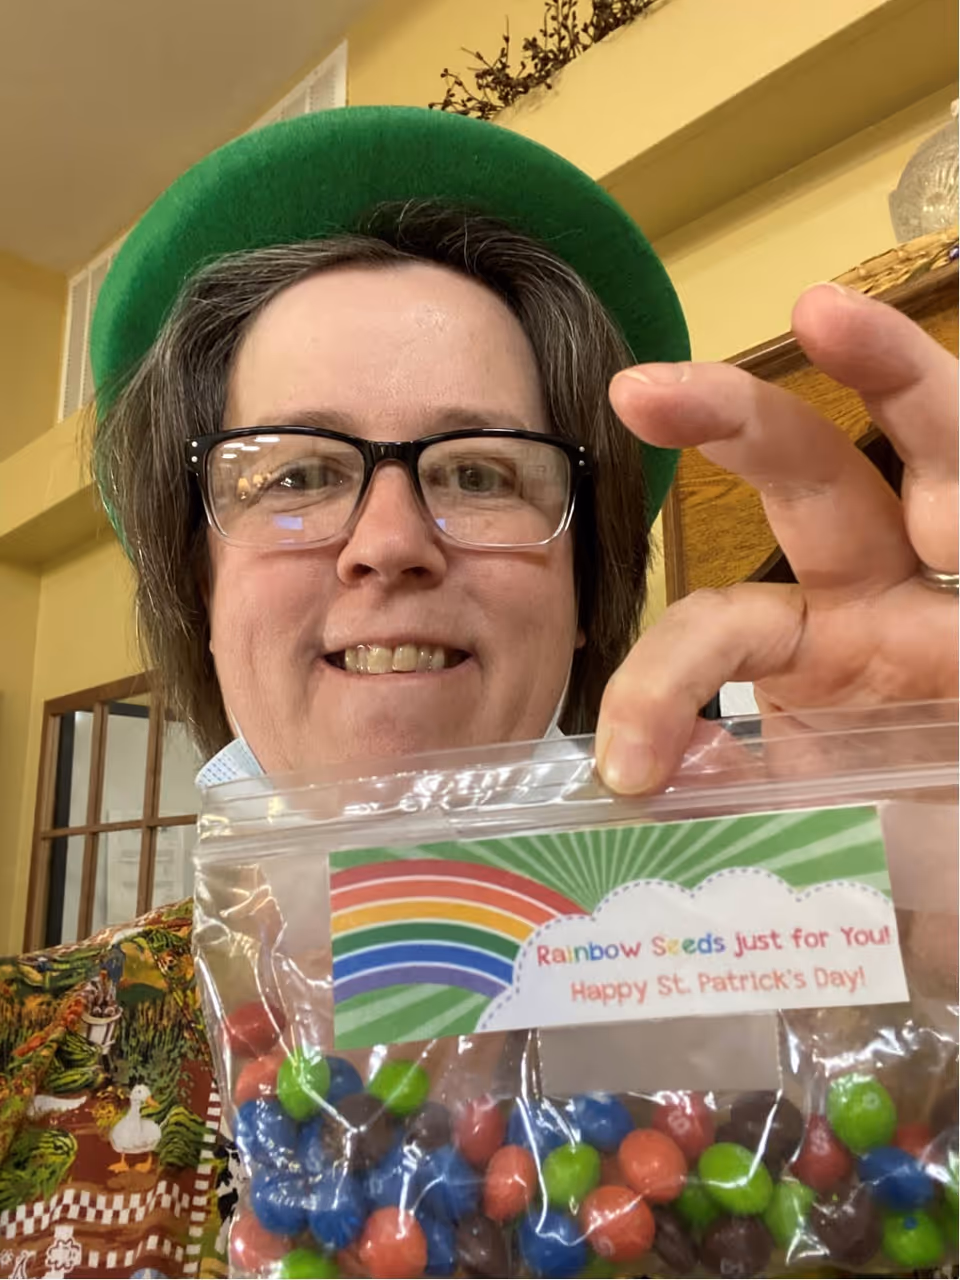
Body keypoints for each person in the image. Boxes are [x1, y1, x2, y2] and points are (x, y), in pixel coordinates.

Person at [0, 106, 955, 1279]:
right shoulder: (25, 1054)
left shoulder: (769, 979)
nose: (389, 541)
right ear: (200, 579)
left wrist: (933, 931)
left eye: (478, 471)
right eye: (296, 471)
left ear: (583, 587)